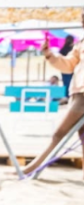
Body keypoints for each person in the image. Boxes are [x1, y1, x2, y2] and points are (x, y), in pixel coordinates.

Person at [25, 12, 84, 179]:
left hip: (82, 95)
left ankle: (31, 168)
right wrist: (49, 54)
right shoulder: (81, 43)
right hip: (78, 93)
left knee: (59, 134)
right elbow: (68, 65)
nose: (82, 22)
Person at [60, 35, 75, 104]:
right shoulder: (73, 49)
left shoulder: (63, 49)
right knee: (71, 83)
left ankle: (67, 96)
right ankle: (70, 96)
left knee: (66, 83)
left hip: (65, 69)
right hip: (71, 69)